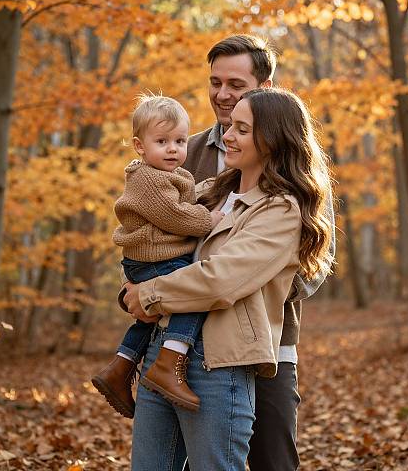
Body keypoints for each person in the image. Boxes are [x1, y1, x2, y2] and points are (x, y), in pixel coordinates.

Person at [123, 86, 334, 471]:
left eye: (241, 129)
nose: (228, 136)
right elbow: (155, 228)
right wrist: (132, 284)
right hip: (161, 352)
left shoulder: (281, 211)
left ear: (271, 140)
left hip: (218, 366)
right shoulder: (210, 192)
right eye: (230, 126)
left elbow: (220, 281)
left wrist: (149, 293)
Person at [182, 34, 335, 471]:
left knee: (274, 459)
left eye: (236, 84)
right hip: (185, 339)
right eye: (215, 82)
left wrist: (246, 281)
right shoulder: (184, 151)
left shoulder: (293, 159)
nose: (223, 94)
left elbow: (313, 264)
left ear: (265, 87)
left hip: (268, 341)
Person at [91, 95, 225, 418]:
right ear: (139, 145)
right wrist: (208, 220)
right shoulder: (147, 178)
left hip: (154, 256)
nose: (173, 149)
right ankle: (170, 361)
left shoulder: (170, 175)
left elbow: (183, 200)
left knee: (147, 318)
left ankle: (121, 367)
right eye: (162, 141)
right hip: (156, 258)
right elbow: (174, 215)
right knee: (191, 297)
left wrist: (208, 194)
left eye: (180, 141)